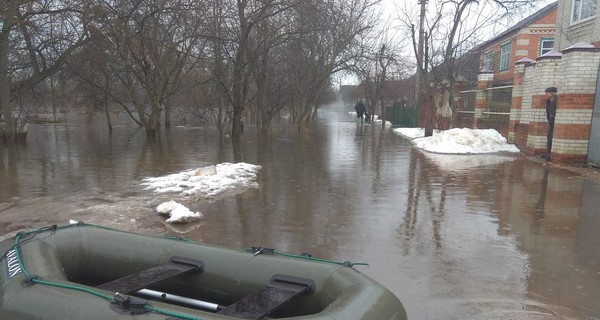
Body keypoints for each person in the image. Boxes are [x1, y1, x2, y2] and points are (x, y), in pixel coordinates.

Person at [542, 87, 557, 161]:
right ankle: (548, 153)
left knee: (551, 137)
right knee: (549, 136)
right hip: (550, 121)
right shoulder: (549, 101)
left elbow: (553, 111)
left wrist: (552, 117)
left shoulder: (555, 100)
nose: (546, 94)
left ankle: (550, 154)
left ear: (552, 93)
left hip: (553, 121)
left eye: (547, 92)